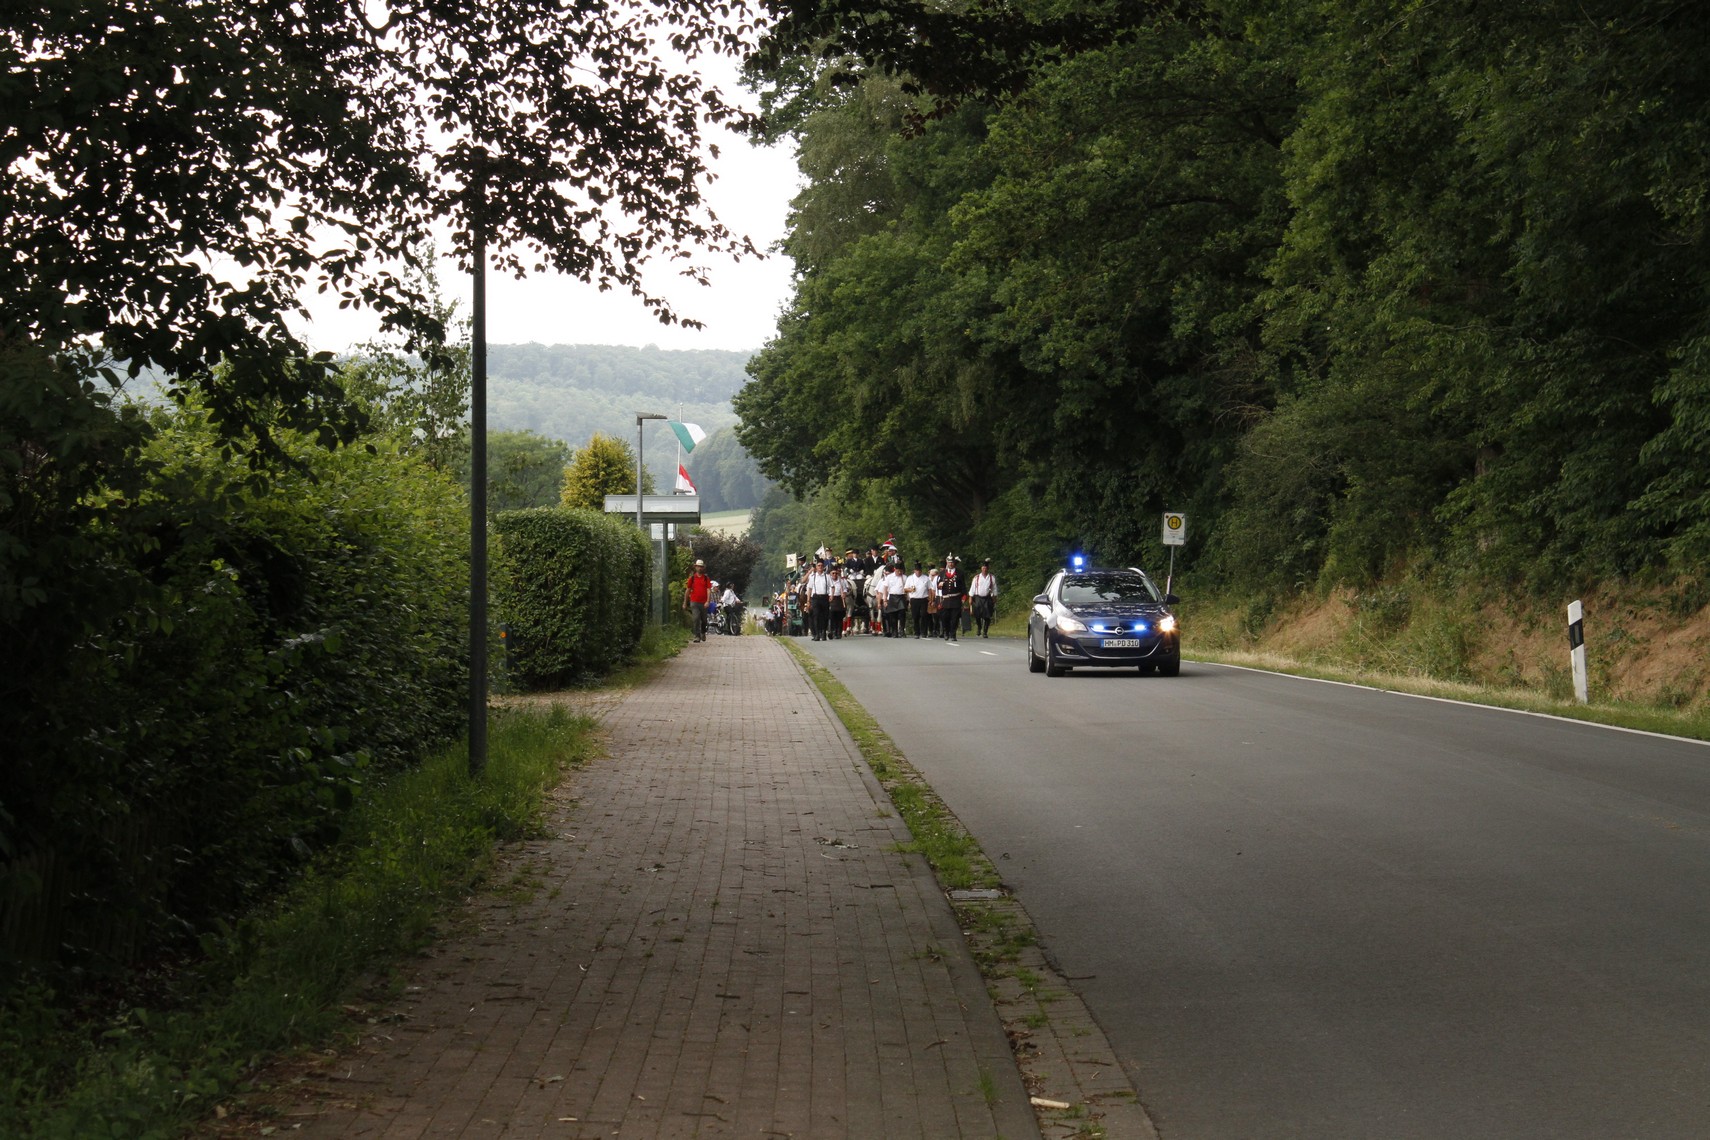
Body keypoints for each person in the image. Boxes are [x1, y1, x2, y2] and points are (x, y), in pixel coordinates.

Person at [937, 556, 965, 643]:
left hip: (956, 598)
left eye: (952, 562)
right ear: (947, 563)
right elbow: (938, 585)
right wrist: (940, 585)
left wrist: (964, 597)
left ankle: (953, 634)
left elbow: (963, 587)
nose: (951, 564)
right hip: (946, 599)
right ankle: (946, 631)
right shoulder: (942, 573)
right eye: (949, 562)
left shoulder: (959, 573)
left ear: (954, 563)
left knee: (955, 618)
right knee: (945, 617)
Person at [683, 559, 712, 642]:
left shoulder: (706, 578)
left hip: (704, 603)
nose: (700, 568)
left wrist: (708, 601)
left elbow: (708, 590)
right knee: (696, 619)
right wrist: (685, 602)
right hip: (694, 602)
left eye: (701, 567)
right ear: (695, 567)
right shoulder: (692, 578)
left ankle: (703, 632)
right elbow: (688, 590)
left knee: (704, 620)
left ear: (703, 568)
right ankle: (697, 636)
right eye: (698, 566)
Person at [804, 557, 832, 641]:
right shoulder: (813, 577)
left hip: (824, 598)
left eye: (821, 565)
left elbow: (832, 586)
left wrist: (831, 595)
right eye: (818, 565)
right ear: (816, 567)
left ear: (823, 567)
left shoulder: (827, 577)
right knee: (816, 616)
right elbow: (809, 589)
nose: (820, 567)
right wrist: (808, 601)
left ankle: (823, 632)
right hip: (816, 598)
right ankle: (817, 634)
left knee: (825, 616)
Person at [969, 559, 998, 637]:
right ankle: (979, 627)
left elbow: (994, 588)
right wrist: (970, 598)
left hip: (987, 598)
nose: (984, 569)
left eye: (986, 568)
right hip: (978, 597)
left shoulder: (991, 577)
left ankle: (985, 631)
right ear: (981, 569)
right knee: (977, 615)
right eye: (983, 568)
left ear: (988, 568)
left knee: (987, 615)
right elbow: (972, 588)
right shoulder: (977, 577)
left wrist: (995, 598)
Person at [906, 561, 930, 638]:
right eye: (917, 570)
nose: (918, 572)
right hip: (914, 599)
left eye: (919, 570)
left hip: (923, 599)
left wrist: (930, 598)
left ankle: (924, 632)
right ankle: (917, 632)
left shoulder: (926, 578)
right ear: (914, 571)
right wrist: (911, 590)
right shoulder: (910, 578)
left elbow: (930, 589)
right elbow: (905, 589)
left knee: (924, 615)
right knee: (915, 616)